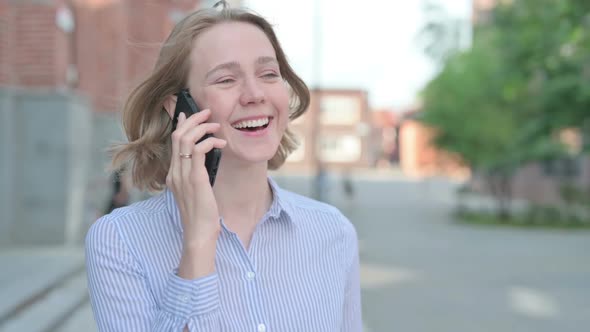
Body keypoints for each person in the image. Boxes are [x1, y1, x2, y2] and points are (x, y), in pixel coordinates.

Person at [85, 2, 362, 331]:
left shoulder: (333, 232)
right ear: (180, 108)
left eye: (269, 74)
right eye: (227, 79)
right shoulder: (119, 240)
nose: (255, 94)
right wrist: (199, 242)